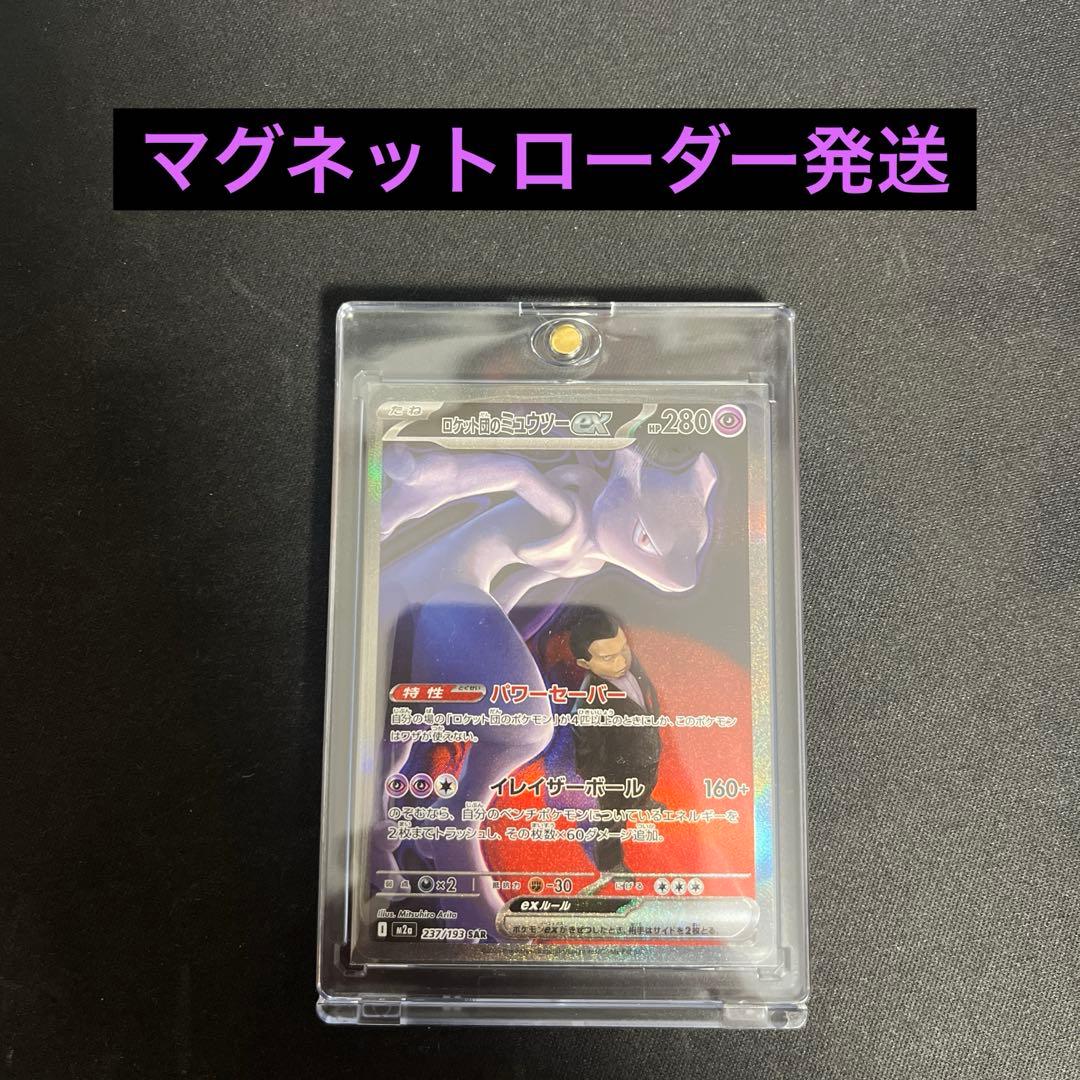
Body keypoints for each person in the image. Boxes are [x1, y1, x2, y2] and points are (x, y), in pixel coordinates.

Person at [567, 607, 663, 875]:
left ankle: (642, 800)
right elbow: (588, 758)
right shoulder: (587, 707)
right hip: (617, 776)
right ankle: (610, 863)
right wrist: (607, 785)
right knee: (612, 819)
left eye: (624, 649)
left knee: (647, 782)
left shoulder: (632, 666)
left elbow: (645, 694)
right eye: (608, 657)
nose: (621, 661)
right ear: (584, 664)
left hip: (646, 753)